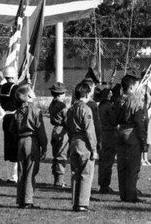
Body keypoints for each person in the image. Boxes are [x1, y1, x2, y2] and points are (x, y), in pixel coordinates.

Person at [9, 84, 48, 209]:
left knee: (21, 171)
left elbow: (11, 129)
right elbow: (41, 131)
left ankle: (20, 200)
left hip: (21, 140)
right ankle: (28, 200)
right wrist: (44, 147)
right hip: (32, 140)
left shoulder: (17, 112)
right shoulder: (36, 111)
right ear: (29, 95)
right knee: (31, 171)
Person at [66, 80, 98, 212]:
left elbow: (67, 127)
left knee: (75, 174)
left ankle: (75, 202)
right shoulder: (86, 109)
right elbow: (90, 131)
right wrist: (94, 149)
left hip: (73, 141)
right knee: (86, 173)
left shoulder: (71, 109)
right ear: (86, 95)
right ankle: (83, 203)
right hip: (84, 142)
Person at [115, 74, 146, 202]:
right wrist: (143, 139)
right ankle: (131, 195)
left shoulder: (118, 100)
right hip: (132, 134)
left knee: (122, 167)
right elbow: (139, 122)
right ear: (132, 87)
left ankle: (123, 194)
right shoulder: (135, 101)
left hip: (120, 132)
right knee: (133, 167)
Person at [0, 66, 20, 183]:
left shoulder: (2, 88)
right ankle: (14, 175)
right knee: (15, 145)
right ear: (12, 76)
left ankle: (9, 174)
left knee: (7, 145)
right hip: (14, 117)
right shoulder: (16, 88)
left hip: (6, 117)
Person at [48, 82, 69, 188]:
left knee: (57, 155)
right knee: (61, 156)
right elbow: (66, 119)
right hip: (62, 130)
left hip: (55, 130)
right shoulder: (61, 105)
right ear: (60, 94)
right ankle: (59, 181)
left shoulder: (52, 103)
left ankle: (57, 179)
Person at [97, 87, 117, 194]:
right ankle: (105, 185)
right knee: (108, 161)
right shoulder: (109, 106)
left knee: (102, 161)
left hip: (101, 134)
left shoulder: (100, 106)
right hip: (109, 134)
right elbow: (114, 121)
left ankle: (102, 183)